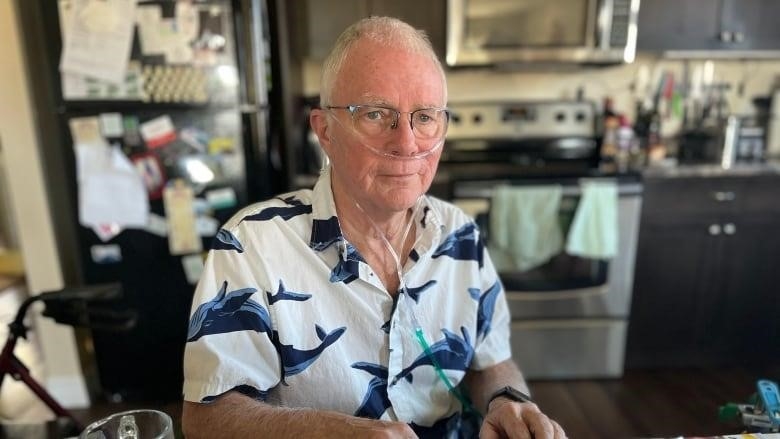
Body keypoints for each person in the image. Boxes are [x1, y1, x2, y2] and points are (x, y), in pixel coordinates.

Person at [181, 16, 566, 439]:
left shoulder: (460, 235)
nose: (406, 144)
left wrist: (507, 400)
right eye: (376, 114)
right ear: (324, 130)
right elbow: (206, 419)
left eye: (425, 117)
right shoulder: (250, 246)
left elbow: (490, 362)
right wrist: (332, 433)